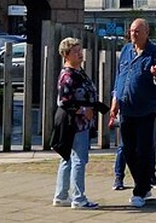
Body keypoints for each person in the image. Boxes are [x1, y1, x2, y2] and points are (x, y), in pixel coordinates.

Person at [109, 18, 156, 208]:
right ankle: (143, 184)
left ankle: (139, 190)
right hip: (126, 109)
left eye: (137, 31)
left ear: (146, 33)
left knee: (143, 151)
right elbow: (120, 76)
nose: (133, 34)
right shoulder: (127, 50)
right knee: (127, 150)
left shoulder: (155, 53)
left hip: (145, 110)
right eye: (131, 31)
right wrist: (115, 99)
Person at [51, 37, 106, 210]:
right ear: (66, 55)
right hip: (75, 122)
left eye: (80, 50)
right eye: (75, 51)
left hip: (80, 122)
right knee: (78, 160)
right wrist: (83, 110)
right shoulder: (68, 75)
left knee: (68, 158)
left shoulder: (78, 72)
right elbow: (64, 101)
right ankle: (78, 198)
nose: (80, 54)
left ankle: (61, 195)